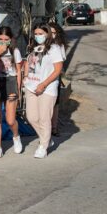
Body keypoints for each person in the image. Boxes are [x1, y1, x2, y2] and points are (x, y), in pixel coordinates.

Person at [23, 23, 65, 158]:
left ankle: (43, 146)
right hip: (31, 86)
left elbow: (58, 70)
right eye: (36, 34)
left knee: (44, 118)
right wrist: (25, 77)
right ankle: (47, 139)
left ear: (47, 34)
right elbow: (28, 63)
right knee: (31, 117)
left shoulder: (54, 48)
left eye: (41, 33)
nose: (38, 36)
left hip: (47, 88)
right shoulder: (33, 47)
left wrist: (44, 84)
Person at [0, 26, 23, 157]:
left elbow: (19, 71)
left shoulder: (15, 51)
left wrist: (18, 89)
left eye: (6, 39)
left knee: (10, 120)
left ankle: (16, 136)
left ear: (10, 39)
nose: (3, 42)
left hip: (10, 81)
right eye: (0, 39)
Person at [48, 22, 69, 136]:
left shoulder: (59, 46)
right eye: (50, 32)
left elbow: (60, 65)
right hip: (41, 78)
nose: (52, 35)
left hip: (54, 77)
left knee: (54, 104)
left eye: (54, 33)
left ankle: (54, 127)